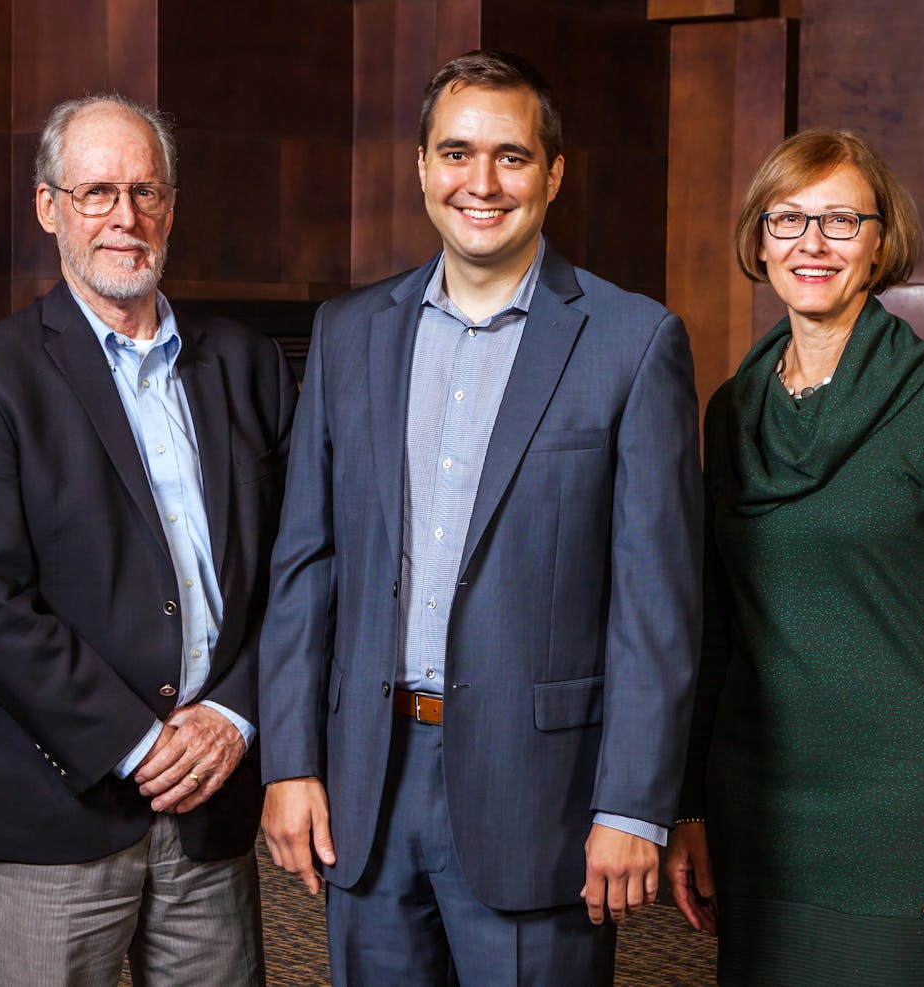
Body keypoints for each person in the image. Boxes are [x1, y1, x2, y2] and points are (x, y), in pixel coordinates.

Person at [258, 49, 702, 985]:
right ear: (421, 166)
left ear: (554, 174)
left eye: (511, 155)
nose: (482, 182)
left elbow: (655, 604)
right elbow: (308, 562)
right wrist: (288, 759)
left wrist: (632, 806)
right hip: (365, 789)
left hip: (541, 796)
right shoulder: (347, 333)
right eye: (456, 153)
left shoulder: (634, 342)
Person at [0, 93, 295, 986]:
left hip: (213, 798)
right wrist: (140, 740)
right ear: (49, 207)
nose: (124, 217)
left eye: (144, 190)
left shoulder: (247, 363)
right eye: (96, 193)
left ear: (170, 205)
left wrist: (235, 713)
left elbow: (297, 567)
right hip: (55, 806)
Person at [665, 129, 924, 986]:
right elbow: (712, 630)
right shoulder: (731, 410)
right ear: (759, 242)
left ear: (880, 240)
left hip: (904, 816)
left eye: (839, 219)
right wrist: (689, 806)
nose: (812, 244)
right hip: (758, 805)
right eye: (787, 219)